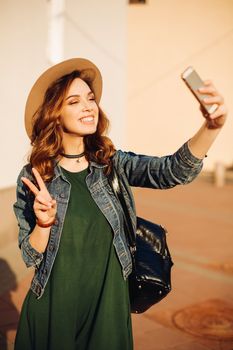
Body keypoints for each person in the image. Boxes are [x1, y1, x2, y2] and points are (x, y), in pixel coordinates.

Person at [13, 57, 227, 350]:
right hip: (54, 306)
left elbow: (171, 172)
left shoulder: (111, 164)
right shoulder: (36, 176)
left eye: (90, 98)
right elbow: (30, 256)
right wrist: (43, 223)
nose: (89, 106)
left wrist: (211, 127)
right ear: (54, 114)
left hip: (108, 305)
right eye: (74, 101)